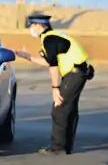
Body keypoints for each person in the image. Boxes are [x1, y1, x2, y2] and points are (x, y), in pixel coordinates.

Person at [15, 14, 94, 155]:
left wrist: (55, 88)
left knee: (59, 109)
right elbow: (49, 62)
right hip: (78, 72)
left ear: (40, 26)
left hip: (74, 74)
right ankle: (65, 146)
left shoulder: (49, 39)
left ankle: (58, 148)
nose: (31, 29)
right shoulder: (54, 36)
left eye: (32, 26)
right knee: (69, 109)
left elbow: (53, 66)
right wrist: (27, 57)